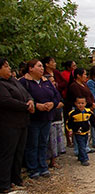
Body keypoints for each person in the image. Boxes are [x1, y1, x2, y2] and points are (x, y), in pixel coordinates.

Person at [19, 59, 62, 179]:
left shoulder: (46, 81)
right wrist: (37, 105)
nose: (42, 68)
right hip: (33, 118)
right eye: (39, 66)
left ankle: (43, 166)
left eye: (42, 66)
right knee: (32, 144)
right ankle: (33, 168)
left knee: (43, 143)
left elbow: (57, 96)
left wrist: (52, 104)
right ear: (31, 68)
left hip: (47, 118)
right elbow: (21, 98)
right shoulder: (23, 82)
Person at [0, 58, 34, 193]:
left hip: (22, 122)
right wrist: (26, 106)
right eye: (6, 66)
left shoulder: (13, 80)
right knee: (7, 153)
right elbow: (6, 101)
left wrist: (30, 101)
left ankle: (16, 178)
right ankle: (4, 183)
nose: (9, 69)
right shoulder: (1, 85)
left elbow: (26, 94)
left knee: (19, 152)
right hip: (8, 124)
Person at [66, 68, 95, 155]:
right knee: (78, 129)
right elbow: (79, 97)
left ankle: (85, 147)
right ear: (78, 75)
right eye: (84, 74)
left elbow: (90, 94)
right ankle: (77, 149)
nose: (86, 76)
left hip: (86, 109)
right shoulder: (74, 86)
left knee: (85, 128)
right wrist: (89, 104)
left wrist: (92, 103)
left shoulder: (84, 84)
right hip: (77, 110)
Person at [66, 96, 95, 166]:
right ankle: (84, 159)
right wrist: (70, 130)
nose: (80, 105)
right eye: (79, 103)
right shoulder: (73, 113)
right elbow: (69, 123)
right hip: (77, 132)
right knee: (81, 145)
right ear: (75, 103)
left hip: (86, 132)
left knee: (84, 144)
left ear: (85, 103)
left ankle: (80, 156)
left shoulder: (88, 112)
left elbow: (93, 121)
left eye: (82, 103)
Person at [43, 74, 65, 169]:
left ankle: (54, 159)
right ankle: (46, 160)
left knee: (56, 140)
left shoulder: (55, 91)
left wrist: (57, 104)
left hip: (57, 117)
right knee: (49, 141)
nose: (54, 83)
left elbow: (61, 100)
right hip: (49, 119)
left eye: (54, 81)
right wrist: (55, 104)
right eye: (51, 81)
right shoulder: (45, 92)